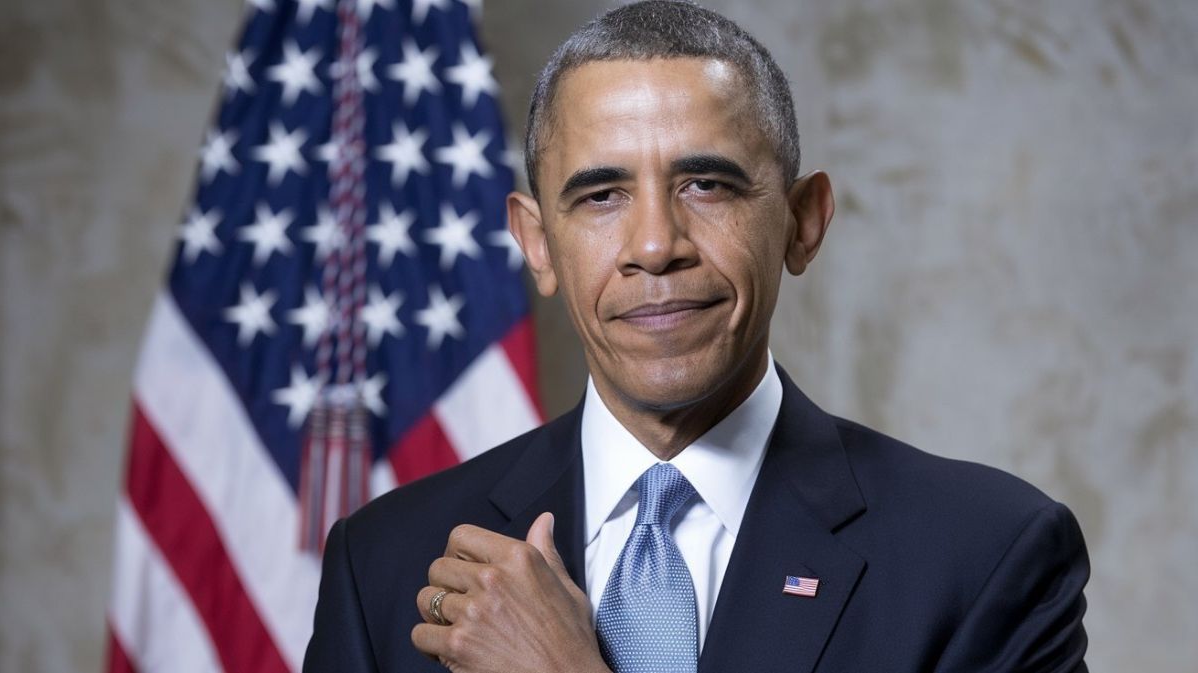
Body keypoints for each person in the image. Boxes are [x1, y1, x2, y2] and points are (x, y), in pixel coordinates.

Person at [303, 2, 1090, 671]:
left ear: (803, 222)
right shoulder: (385, 564)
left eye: (706, 184)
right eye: (602, 194)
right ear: (537, 244)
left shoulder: (985, 556)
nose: (655, 243)